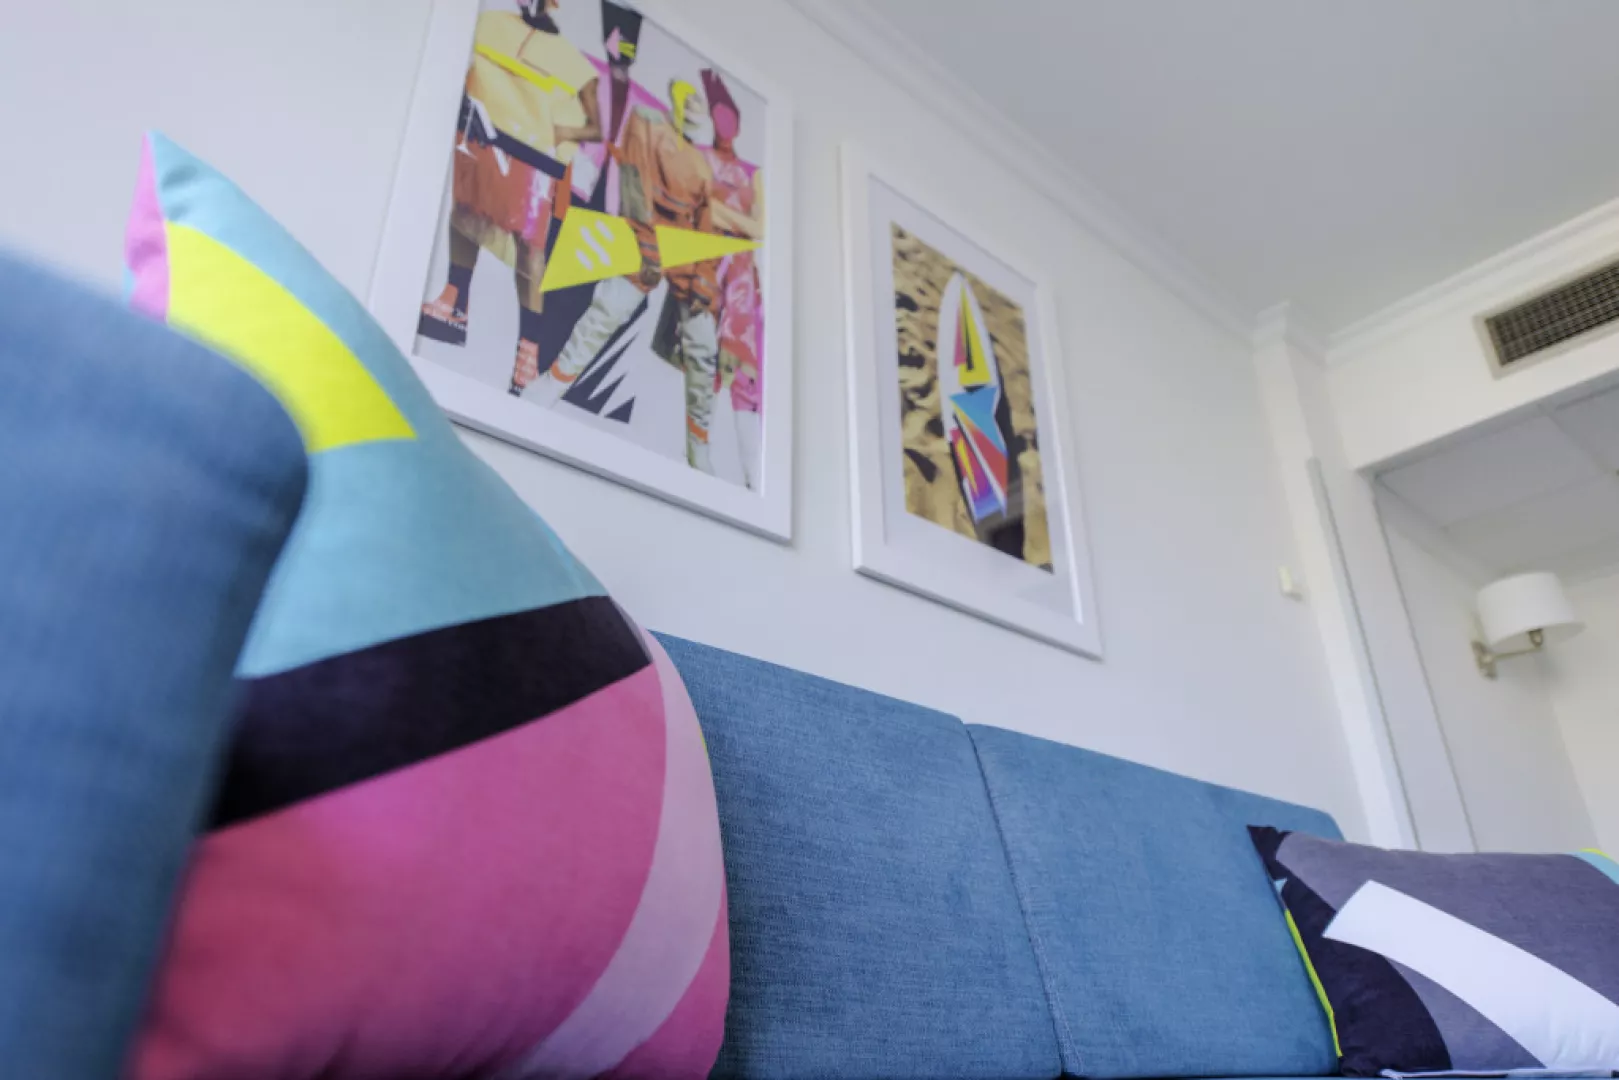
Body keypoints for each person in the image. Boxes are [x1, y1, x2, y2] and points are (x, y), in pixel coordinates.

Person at [525, 79, 723, 476]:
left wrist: (703, 278)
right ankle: (550, 386)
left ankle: (698, 446)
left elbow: (705, 226)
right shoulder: (647, 123)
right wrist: (645, 241)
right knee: (606, 312)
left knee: (703, 346)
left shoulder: (703, 168)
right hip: (644, 233)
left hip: (682, 247)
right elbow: (635, 180)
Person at [417, 0, 603, 395]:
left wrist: (557, 133)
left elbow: (594, 128)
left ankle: (528, 347)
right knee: (465, 213)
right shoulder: (491, 23)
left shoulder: (573, 63)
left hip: (534, 162)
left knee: (529, 251)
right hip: (485, 141)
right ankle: (454, 300)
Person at [698, 68, 765, 489]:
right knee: (703, 368)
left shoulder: (753, 172)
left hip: (742, 285)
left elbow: (759, 229)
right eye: (719, 115)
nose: (726, 124)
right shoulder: (700, 159)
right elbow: (698, 208)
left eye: (731, 116)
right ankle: (699, 462)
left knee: (745, 379)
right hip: (707, 272)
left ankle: (753, 476)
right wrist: (729, 219)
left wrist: (720, 214)